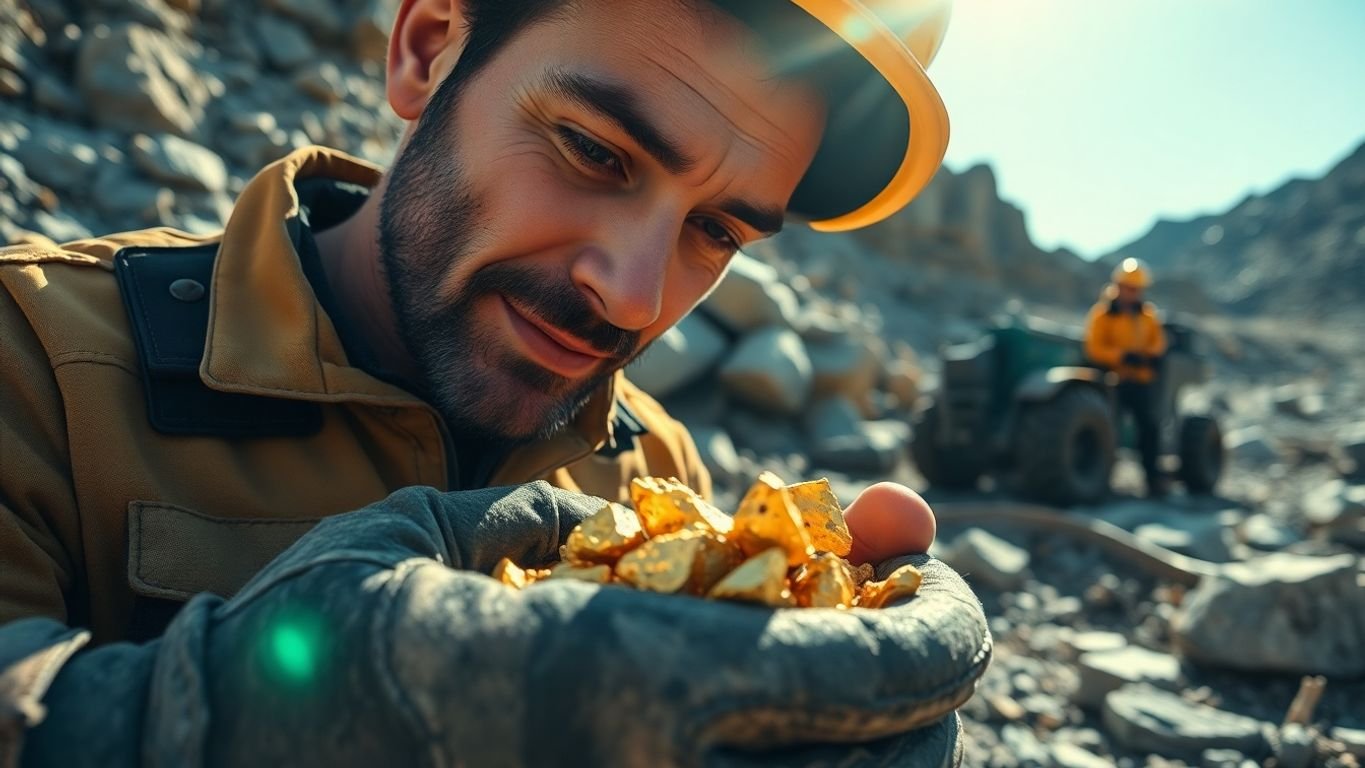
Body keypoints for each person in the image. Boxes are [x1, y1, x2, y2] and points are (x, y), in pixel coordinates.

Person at [1, 1, 984, 764]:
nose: (636, 296)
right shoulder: (34, 362)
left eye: (715, 231)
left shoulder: (655, 474)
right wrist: (208, 722)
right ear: (428, 49)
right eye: (596, 152)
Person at [1084, 257, 1168, 497]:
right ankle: (1101, 480)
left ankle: (1153, 480)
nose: (1132, 293)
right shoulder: (1102, 315)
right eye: (1128, 288)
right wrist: (1121, 356)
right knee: (1109, 430)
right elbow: (1094, 347)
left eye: (1136, 289)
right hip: (1112, 382)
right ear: (1118, 286)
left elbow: (1158, 342)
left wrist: (1149, 356)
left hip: (1141, 381)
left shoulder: (1148, 316)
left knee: (1149, 429)